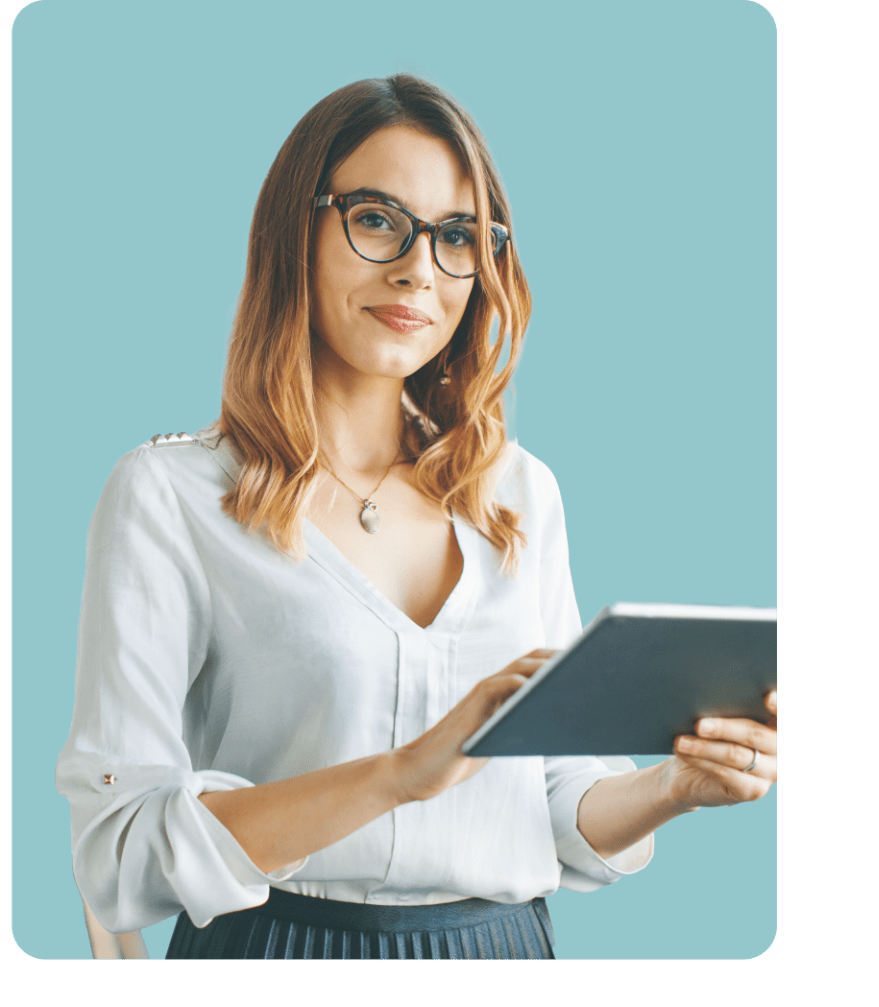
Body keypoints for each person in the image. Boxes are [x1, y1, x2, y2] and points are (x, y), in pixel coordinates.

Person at [56, 74, 778, 961]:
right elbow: (119, 851)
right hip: (277, 950)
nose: (417, 269)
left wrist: (674, 785)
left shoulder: (518, 492)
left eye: (456, 239)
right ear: (297, 229)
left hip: (505, 950)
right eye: (374, 218)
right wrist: (399, 775)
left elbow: (552, 800)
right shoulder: (169, 494)